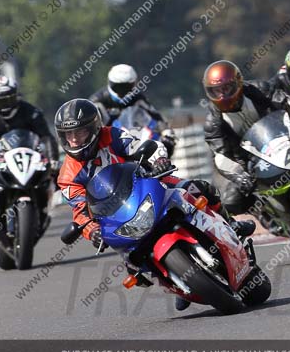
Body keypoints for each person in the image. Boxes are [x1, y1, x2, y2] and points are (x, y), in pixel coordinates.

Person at [55, 98, 254, 311]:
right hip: (115, 215)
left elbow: (145, 146)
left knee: (201, 188)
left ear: (94, 127)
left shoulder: (111, 135)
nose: (74, 139)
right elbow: (80, 211)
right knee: (134, 266)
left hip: (145, 185)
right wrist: (91, 230)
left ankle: (230, 224)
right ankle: (178, 280)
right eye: (68, 134)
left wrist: (159, 160)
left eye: (80, 132)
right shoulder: (67, 176)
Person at [202, 59, 290, 219]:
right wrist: (241, 176)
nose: (223, 95)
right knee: (231, 202)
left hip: (284, 139)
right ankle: (266, 215)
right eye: (216, 91)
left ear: (238, 83)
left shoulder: (259, 90)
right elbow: (222, 155)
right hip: (251, 162)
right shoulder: (213, 121)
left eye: (226, 88)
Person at [0, 75, 59, 228]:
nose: (6, 104)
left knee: (57, 175)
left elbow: (46, 137)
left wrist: (53, 159)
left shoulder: (31, 111)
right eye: (1, 100)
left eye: (10, 98)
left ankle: (44, 207)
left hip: (27, 156)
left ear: (16, 95)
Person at [89, 64, 177, 155]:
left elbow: (155, 115)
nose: (122, 91)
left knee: (168, 143)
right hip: (107, 143)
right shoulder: (97, 101)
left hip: (135, 138)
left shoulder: (138, 98)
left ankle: (161, 166)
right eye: (118, 87)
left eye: (126, 87)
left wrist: (166, 131)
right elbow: (89, 126)